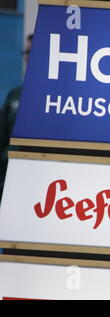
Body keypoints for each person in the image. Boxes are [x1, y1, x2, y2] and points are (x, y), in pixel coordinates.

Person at [0, 34, 33, 202]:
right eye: (26, 52)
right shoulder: (15, 95)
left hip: (33, 178)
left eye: (32, 51)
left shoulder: (57, 99)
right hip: (7, 176)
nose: (27, 56)